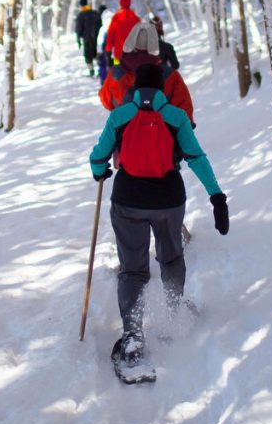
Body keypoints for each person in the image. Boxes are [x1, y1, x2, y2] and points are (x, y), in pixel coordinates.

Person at [89, 62, 229, 367]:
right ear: (162, 89)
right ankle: (173, 311)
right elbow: (196, 157)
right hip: (169, 200)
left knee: (133, 269)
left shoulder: (120, 115)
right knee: (171, 257)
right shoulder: (176, 117)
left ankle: (133, 335)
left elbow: (97, 156)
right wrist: (216, 196)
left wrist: (101, 171)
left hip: (128, 200)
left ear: (135, 89)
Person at [99, 21, 195, 126]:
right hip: (163, 136)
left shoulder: (115, 73)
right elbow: (184, 108)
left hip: (124, 134)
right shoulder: (171, 75)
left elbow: (106, 101)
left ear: (130, 42)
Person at [103, 0, 140, 66]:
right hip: (134, 54)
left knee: (118, 73)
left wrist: (108, 51)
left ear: (120, 3)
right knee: (133, 74)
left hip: (118, 55)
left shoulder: (116, 18)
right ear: (130, 3)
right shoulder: (136, 18)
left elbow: (110, 35)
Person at [74, 0, 102, 77]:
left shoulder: (80, 15)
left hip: (86, 39)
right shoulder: (95, 13)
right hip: (96, 37)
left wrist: (78, 39)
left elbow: (78, 28)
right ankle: (101, 69)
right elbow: (100, 24)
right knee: (96, 53)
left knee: (88, 55)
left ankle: (91, 70)